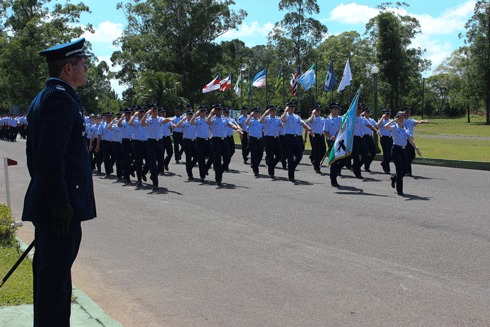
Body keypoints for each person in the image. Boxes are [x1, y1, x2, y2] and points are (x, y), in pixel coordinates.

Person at [22, 38, 96, 327]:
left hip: (53, 205)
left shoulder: (45, 96)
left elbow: (35, 159)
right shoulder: (60, 98)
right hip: (60, 210)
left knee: (51, 280)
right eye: (82, 64)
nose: (86, 68)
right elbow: (50, 155)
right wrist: (60, 203)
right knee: (55, 284)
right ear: (68, 68)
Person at [384, 111, 422, 196]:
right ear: (397, 118)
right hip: (396, 150)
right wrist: (393, 120)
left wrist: (416, 148)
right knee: (400, 170)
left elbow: (410, 139)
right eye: (400, 117)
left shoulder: (406, 130)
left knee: (405, 170)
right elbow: (385, 126)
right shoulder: (394, 127)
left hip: (403, 150)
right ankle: (400, 190)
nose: (401, 119)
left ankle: (394, 178)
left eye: (403, 117)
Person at [206, 104, 242, 186]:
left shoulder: (224, 118)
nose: (219, 111)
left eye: (220, 110)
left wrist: (237, 129)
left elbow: (230, 124)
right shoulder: (213, 119)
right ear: (215, 111)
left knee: (227, 158)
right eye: (217, 110)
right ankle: (218, 178)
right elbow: (208, 122)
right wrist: (211, 113)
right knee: (217, 160)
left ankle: (219, 171)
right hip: (216, 140)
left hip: (224, 140)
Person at [281, 102, 313, 181]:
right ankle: (291, 176)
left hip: (297, 138)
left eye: (293, 108)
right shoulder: (286, 116)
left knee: (299, 156)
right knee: (290, 157)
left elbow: (302, 123)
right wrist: (285, 111)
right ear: (287, 108)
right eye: (290, 107)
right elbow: (282, 119)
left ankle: (291, 167)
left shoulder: (296, 117)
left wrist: (308, 128)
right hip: (289, 137)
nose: (292, 109)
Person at [403, 107, 428, 176]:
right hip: (405, 139)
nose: (408, 114)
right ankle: (408, 171)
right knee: (407, 155)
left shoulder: (411, 120)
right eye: (407, 113)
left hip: (411, 138)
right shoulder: (402, 120)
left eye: (409, 113)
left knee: (412, 155)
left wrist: (424, 121)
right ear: (404, 113)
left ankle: (405, 164)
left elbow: (418, 122)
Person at [190, 106, 213, 182]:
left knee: (212, 156)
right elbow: (191, 122)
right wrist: (195, 115)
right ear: (199, 112)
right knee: (201, 158)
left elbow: (211, 128)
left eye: (204, 111)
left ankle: (205, 168)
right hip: (199, 141)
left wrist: (211, 135)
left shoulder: (207, 120)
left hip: (207, 140)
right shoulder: (197, 120)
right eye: (201, 111)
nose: (203, 113)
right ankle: (202, 175)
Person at [260, 105, 282, 179]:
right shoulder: (266, 118)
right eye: (271, 110)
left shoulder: (278, 119)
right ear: (269, 111)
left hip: (276, 138)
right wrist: (265, 113)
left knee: (279, 155)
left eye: (274, 110)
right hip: (268, 138)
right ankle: (271, 173)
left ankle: (270, 164)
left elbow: (282, 125)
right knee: (271, 156)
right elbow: (261, 121)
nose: (273, 112)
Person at [176, 110, 198, 180]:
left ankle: (189, 167)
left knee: (196, 157)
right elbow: (178, 126)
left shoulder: (195, 122)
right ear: (187, 115)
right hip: (187, 141)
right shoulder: (185, 123)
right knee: (188, 158)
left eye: (192, 114)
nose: (190, 116)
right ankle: (190, 174)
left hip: (194, 141)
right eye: (189, 114)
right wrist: (183, 119)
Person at [307, 105, 326, 173]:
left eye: (319, 110)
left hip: (321, 136)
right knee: (317, 152)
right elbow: (310, 121)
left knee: (323, 151)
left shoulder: (322, 119)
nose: (318, 112)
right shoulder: (312, 118)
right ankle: (317, 167)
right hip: (314, 136)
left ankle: (313, 158)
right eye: (316, 110)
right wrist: (313, 114)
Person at [246, 108, 264, 176]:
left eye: (257, 113)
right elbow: (246, 123)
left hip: (259, 139)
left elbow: (264, 128)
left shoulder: (260, 121)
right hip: (253, 139)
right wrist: (250, 116)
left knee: (261, 154)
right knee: (254, 154)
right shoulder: (251, 120)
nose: (256, 114)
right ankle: (256, 170)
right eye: (255, 113)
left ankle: (254, 164)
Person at [361, 108, 379, 172]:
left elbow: (377, 126)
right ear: (364, 113)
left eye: (369, 112)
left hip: (370, 137)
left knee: (373, 152)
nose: (368, 113)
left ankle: (366, 164)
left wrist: (377, 129)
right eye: (366, 112)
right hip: (364, 137)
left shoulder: (371, 120)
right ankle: (366, 167)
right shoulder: (362, 119)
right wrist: (362, 114)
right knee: (365, 153)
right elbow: (357, 116)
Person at [377, 109, 393, 174]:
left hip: (390, 138)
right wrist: (382, 117)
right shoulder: (382, 121)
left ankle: (384, 163)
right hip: (384, 138)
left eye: (389, 114)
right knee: (386, 154)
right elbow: (378, 124)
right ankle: (387, 169)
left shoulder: (390, 121)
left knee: (391, 154)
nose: (388, 115)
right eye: (387, 114)